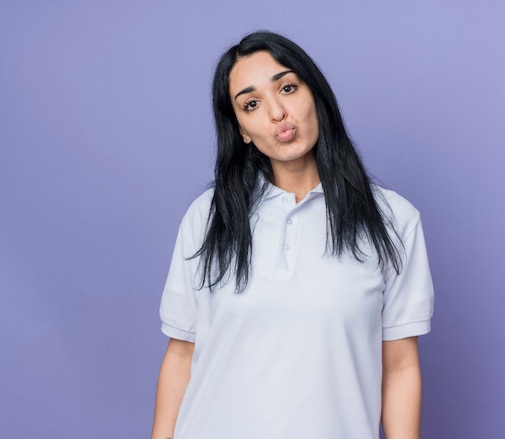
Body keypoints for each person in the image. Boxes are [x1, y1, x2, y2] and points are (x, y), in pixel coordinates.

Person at [151, 31, 434, 439]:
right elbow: (181, 354)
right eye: (251, 104)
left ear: (315, 94)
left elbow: (400, 366)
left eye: (287, 87)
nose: (277, 112)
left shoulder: (392, 219)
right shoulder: (209, 217)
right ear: (242, 130)